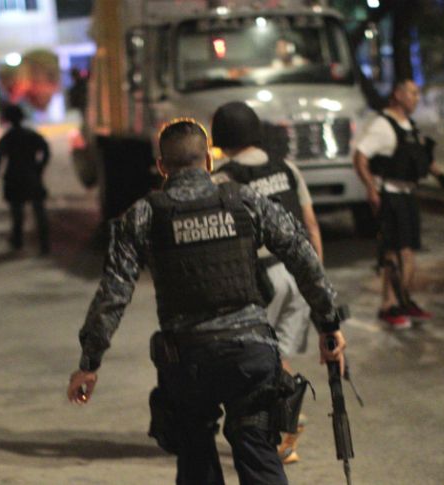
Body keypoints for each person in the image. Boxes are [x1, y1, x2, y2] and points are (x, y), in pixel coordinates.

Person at [67, 119, 347, 485]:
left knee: (196, 456)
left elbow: (114, 293)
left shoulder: (143, 215)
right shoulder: (245, 201)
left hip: (187, 362)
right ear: (209, 162)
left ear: (162, 166)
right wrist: (329, 325)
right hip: (250, 353)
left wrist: (89, 363)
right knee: (259, 454)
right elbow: (303, 258)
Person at [210, 101, 322, 465]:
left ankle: (270, 433)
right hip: (298, 272)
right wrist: (316, 278)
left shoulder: (223, 179)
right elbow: (310, 223)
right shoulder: (287, 168)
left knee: (256, 360)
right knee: (280, 355)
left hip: (260, 277)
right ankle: (287, 429)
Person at [352, 79, 444, 329]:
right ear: (398, 94)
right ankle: (389, 305)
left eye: (418, 94)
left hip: (408, 195)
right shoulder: (383, 125)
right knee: (394, 252)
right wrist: (371, 189)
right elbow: (360, 157)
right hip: (391, 194)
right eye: (413, 93)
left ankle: (404, 300)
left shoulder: (411, 127)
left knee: (409, 251)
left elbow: (424, 159)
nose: (417, 98)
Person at [0, 104, 51, 255]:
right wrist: (39, 167)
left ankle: (18, 241)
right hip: (32, 176)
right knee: (39, 213)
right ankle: (44, 245)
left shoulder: (6, 138)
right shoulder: (32, 135)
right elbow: (46, 151)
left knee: (17, 214)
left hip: (14, 178)